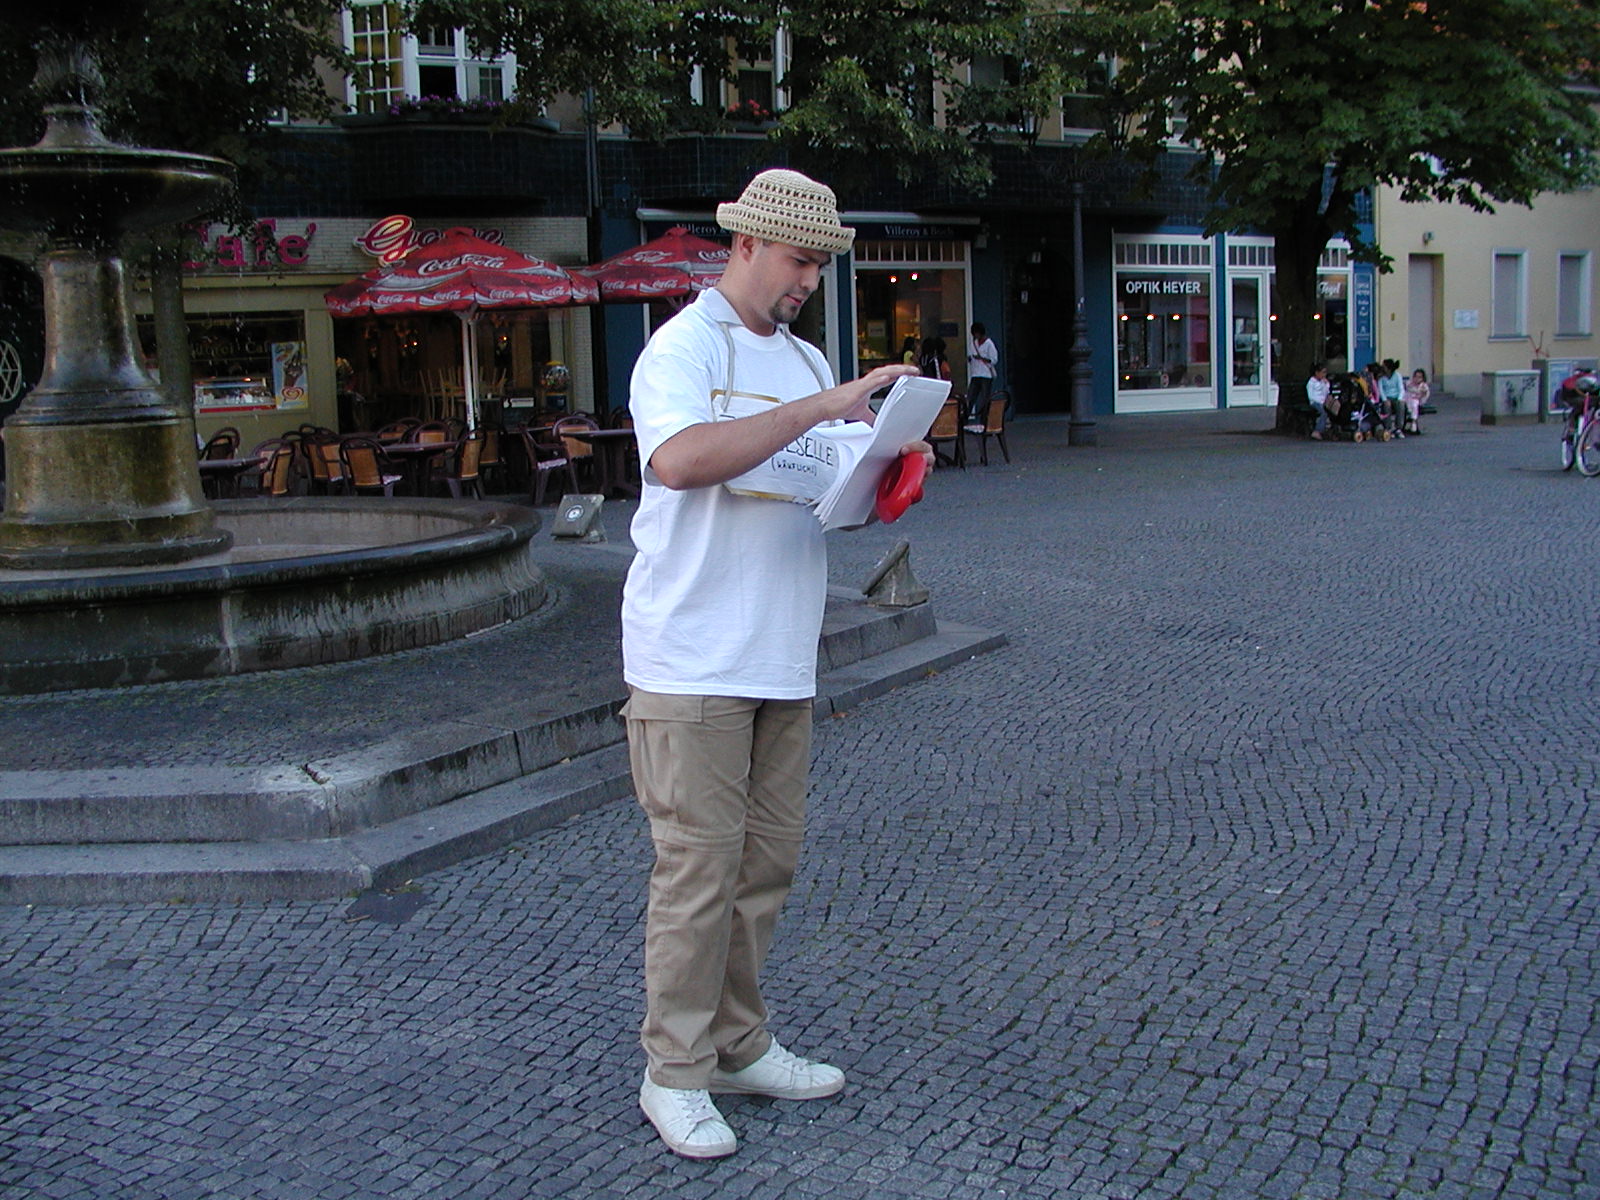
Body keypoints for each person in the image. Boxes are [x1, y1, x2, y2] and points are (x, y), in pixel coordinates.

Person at [622, 167, 932, 1160]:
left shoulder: (804, 362)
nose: (808, 280)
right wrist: (826, 407)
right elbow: (679, 463)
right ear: (749, 244)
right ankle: (672, 1071)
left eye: (819, 265)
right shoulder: (679, 349)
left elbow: (821, 486)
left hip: (778, 654)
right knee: (697, 872)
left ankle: (738, 1044)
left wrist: (884, 468)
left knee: (764, 865)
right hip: (691, 657)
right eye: (801, 260)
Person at [965, 322, 998, 425]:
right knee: (970, 398)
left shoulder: (989, 344)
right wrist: (970, 359)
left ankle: (985, 421)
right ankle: (964, 420)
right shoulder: (973, 343)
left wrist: (981, 358)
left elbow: (994, 359)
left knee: (985, 399)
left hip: (985, 375)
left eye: (976, 333)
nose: (975, 336)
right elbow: (970, 356)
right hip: (975, 374)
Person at [1307, 362, 1332, 439]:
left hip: (1323, 401)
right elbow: (1311, 396)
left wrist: (1326, 384)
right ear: (1317, 373)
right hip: (1315, 402)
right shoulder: (1311, 383)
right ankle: (1317, 431)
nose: (1324, 375)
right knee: (1323, 413)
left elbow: (1326, 392)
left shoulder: (1322, 382)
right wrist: (1321, 401)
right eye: (1323, 373)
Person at [1402, 368, 1429, 435]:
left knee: (1414, 403)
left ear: (1423, 378)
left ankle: (1413, 422)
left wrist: (1420, 395)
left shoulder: (1423, 386)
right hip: (1407, 399)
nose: (1417, 379)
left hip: (1417, 401)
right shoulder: (1409, 383)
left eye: (1419, 377)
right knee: (1408, 398)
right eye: (1415, 376)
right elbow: (1406, 389)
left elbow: (1424, 395)